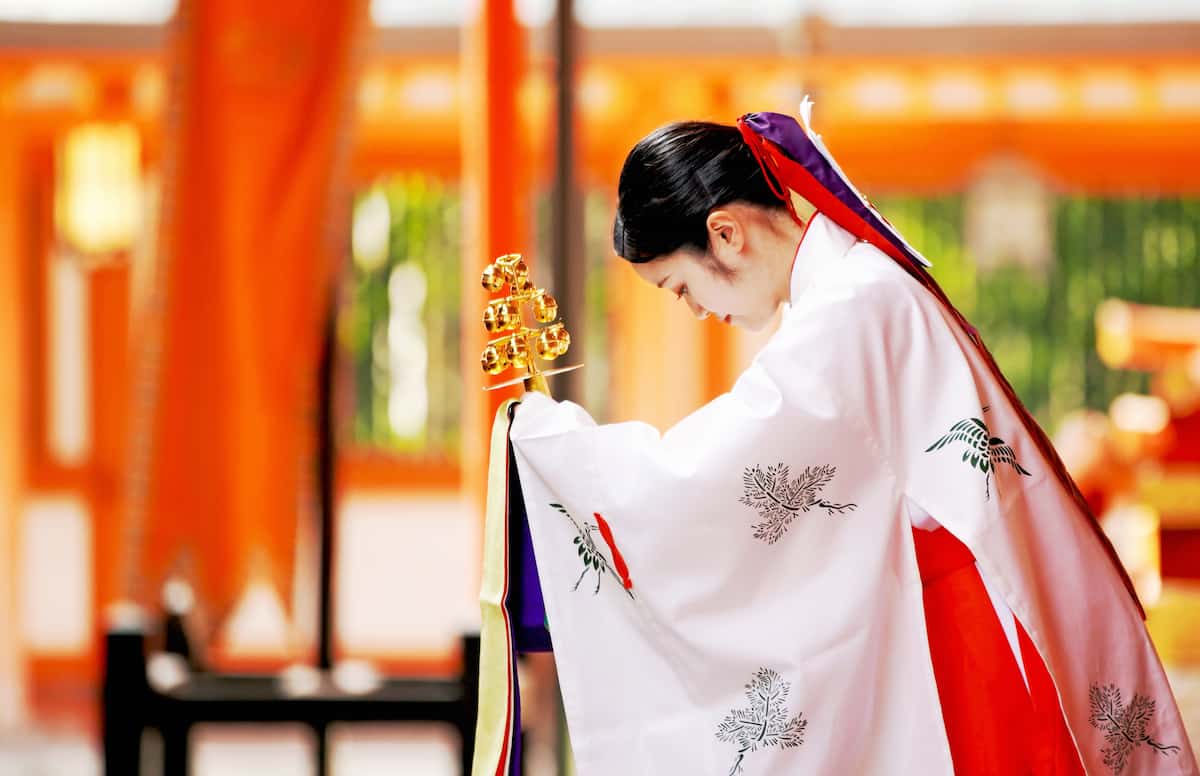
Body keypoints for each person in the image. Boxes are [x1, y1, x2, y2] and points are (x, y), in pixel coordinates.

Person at [472, 102, 1198, 776]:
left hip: (958, 644)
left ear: (725, 233)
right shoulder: (853, 291)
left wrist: (558, 450)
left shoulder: (852, 310)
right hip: (941, 619)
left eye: (682, 289)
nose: (695, 312)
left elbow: (714, 477)